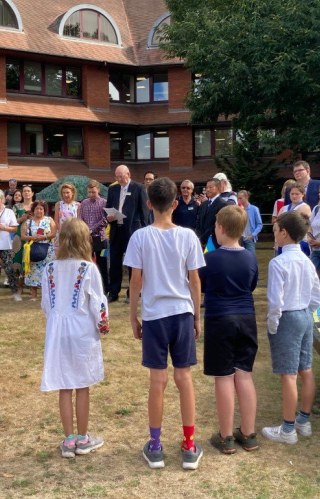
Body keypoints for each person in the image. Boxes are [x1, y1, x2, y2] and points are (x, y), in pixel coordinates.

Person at [124, 177, 206, 470]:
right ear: (175, 204)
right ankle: (189, 444)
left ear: (148, 204)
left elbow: (136, 281)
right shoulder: (188, 236)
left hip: (155, 316)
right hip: (182, 314)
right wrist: (197, 316)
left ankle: (156, 445)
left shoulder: (140, 237)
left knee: (157, 381)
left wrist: (133, 315)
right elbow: (194, 280)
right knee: (184, 379)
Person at [40, 218, 110, 458]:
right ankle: (82, 437)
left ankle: (69, 439)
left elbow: (46, 304)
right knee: (81, 385)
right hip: (81, 331)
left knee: (65, 385)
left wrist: (56, 321)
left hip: (58, 331)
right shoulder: (88, 268)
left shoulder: (49, 268)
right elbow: (98, 302)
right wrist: (103, 325)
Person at [198, 206, 259, 454]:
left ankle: (226, 437)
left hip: (219, 318)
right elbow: (252, 284)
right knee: (243, 374)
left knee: (223, 376)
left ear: (220, 228)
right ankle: (248, 432)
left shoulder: (210, 259)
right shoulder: (250, 257)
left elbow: (198, 285)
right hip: (247, 318)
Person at [262, 211, 320, 444]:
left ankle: (288, 429)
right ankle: (303, 421)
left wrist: (273, 324)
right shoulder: (307, 262)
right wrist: (306, 311)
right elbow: (317, 297)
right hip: (306, 315)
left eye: (275, 230)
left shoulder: (278, 263)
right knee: (305, 369)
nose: (274, 234)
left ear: (284, 233)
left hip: (288, 317)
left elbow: (275, 301)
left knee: (288, 373)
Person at [105, 165, 149, 303]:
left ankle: (132, 292)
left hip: (132, 231)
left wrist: (144, 230)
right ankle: (113, 292)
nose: (119, 180)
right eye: (117, 177)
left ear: (128, 174)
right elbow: (108, 207)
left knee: (133, 264)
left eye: (121, 177)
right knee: (115, 263)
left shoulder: (138, 188)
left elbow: (145, 212)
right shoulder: (112, 189)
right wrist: (109, 217)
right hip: (116, 230)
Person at [23, 200, 57, 300]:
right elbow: (23, 236)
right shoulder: (28, 222)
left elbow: (54, 233)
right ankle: (33, 296)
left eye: (41, 209)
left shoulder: (49, 220)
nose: (39, 211)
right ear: (33, 210)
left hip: (47, 250)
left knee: (47, 272)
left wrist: (44, 237)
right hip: (32, 250)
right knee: (33, 272)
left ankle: (46, 296)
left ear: (44, 210)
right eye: (37, 208)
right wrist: (32, 237)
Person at [79, 180, 108, 290]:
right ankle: (88, 286)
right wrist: (86, 232)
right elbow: (80, 219)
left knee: (103, 263)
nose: (91, 194)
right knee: (86, 263)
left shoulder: (104, 203)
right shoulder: (84, 203)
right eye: (89, 192)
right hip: (86, 239)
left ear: (98, 190)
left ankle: (104, 288)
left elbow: (105, 220)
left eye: (93, 192)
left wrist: (92, 230)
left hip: (101, 238)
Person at [196, 178, 232, 250]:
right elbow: (198, 222)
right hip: (200, 243)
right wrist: (198, 237)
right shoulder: (204, 204)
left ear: (218, 188)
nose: (207, 189)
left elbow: (216, 225)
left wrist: (203, 239)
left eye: (210, 187)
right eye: (206, 187)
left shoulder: (223, 204)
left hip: (214, 243)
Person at [11, 186, 34, 285]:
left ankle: (32, 283)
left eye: (28, 191)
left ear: (32, 193)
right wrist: (22, 218)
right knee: (17, 257)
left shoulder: (36, 205)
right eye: (24, 191)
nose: (26, 193)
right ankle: (18, 284)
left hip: (33, 234)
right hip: (19, 235)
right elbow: (11, 222)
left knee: (32, 257)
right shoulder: (16, 207)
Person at [238, 190, 262, 254]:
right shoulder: (238, 209)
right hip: (239, 238)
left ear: (246, 197)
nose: (239, 200)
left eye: (240, 198)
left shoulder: (254, 209)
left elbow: (259, 224)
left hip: (249, 238)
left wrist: (253, 235)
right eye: (238, 198)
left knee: (251, 257)